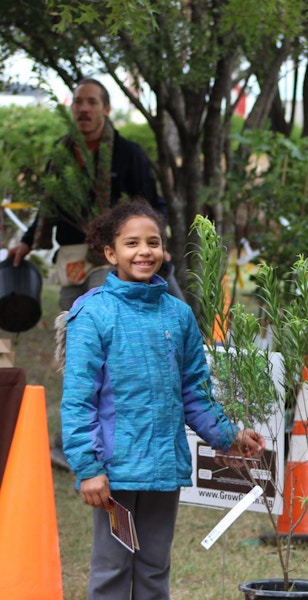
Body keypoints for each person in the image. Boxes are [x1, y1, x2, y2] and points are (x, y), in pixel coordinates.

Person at [59, 199, 264, 599]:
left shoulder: (179, 315)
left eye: (153, 242)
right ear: (110, 252)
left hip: (164, 469)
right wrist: (88, 467)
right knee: (112, 572)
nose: (144, 251)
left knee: (155, 572)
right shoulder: (92, 314)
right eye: (131, 243)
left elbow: (194, 392)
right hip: (114, 475)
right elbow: (78, 400)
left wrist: (229, 436)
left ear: (164, 250)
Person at [8, 77, 181, 470]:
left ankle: (108, 436)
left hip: (113, 261)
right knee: (76, 343)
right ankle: (74, 439)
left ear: (105, 109)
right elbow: (47, 205)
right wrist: (27, 241)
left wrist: (156, 242)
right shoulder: (62, 155)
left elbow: (152, 205)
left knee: (106, 342)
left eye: (91, 103)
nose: (83, 110)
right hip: (71, 259)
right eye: (78, 104)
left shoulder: (129, 155)